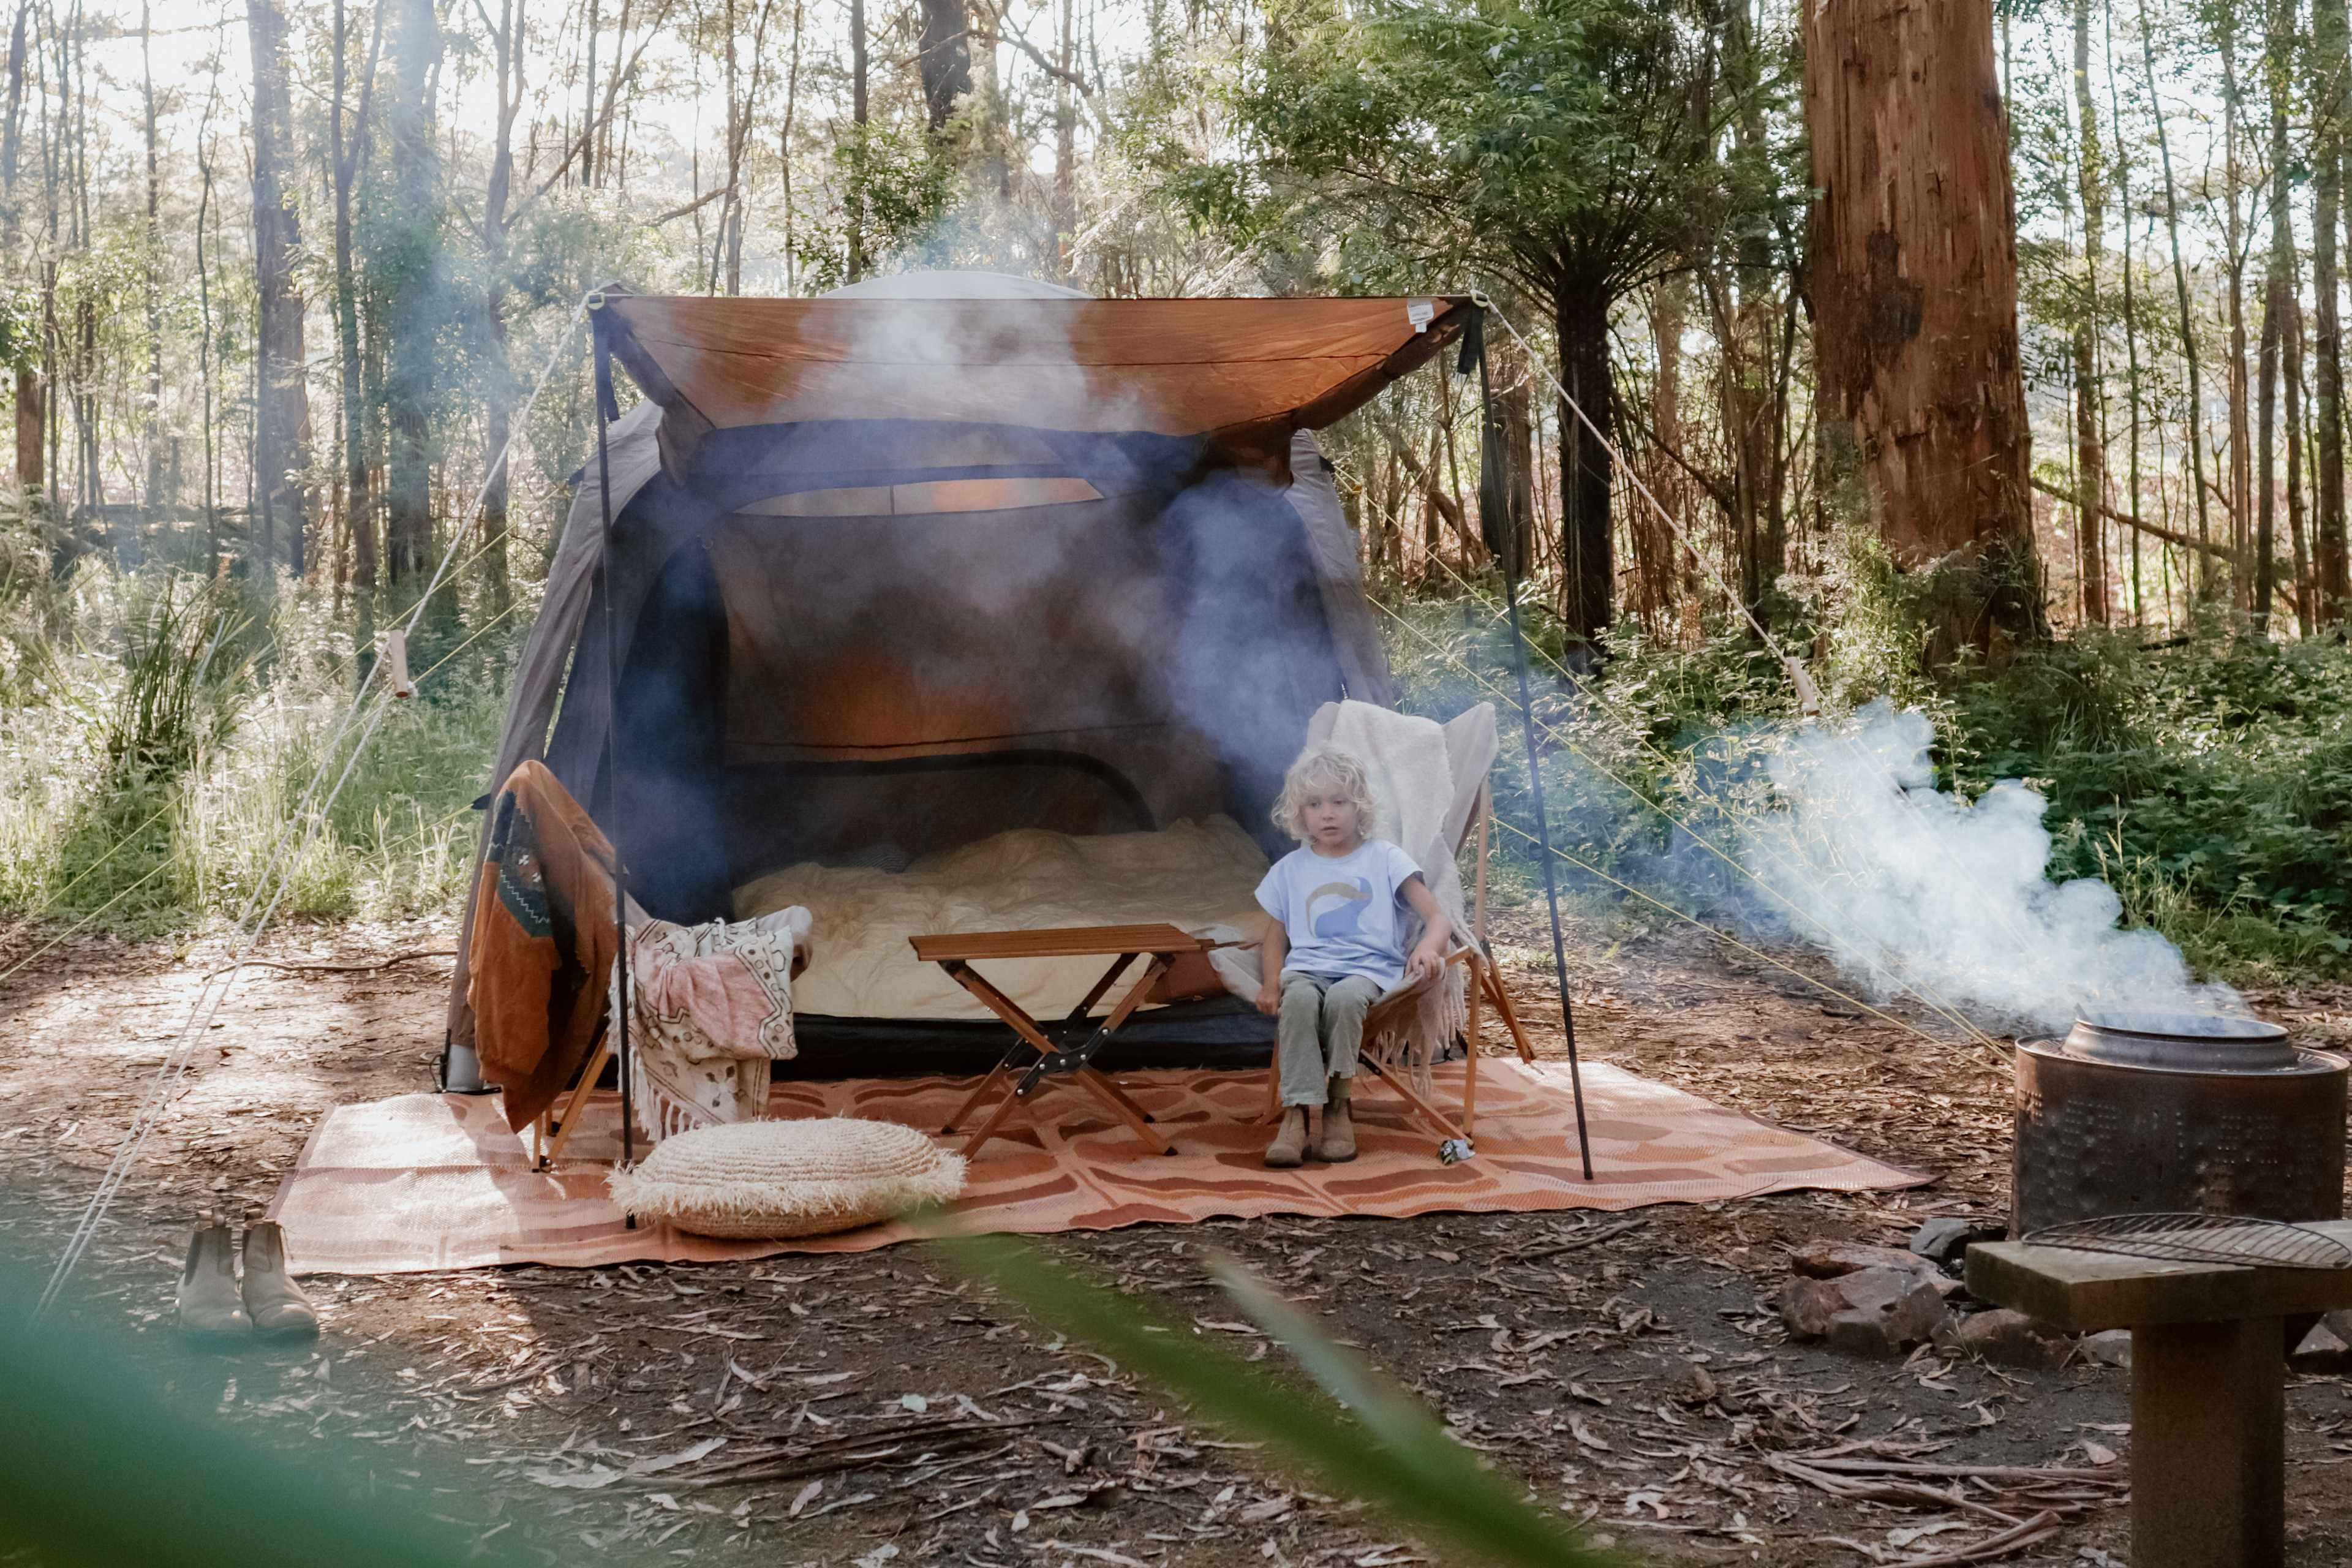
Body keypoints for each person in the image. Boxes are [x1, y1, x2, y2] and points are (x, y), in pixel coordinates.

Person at [1254, 744, 1450, 1167]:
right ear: (1299, 813)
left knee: (1344, 999)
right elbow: (1274, 937)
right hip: (1306, 970)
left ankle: (1338, 1106)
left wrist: (1425, 948)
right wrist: (1270, 984)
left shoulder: (1385, 858)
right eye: (1314, 804)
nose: (1327, 814)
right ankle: (1296, 1114)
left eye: (1339, 802)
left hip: (1367, 971)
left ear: (1359, 805)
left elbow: (1437, 917)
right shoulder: (1290, 869)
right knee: (1298, 1000)